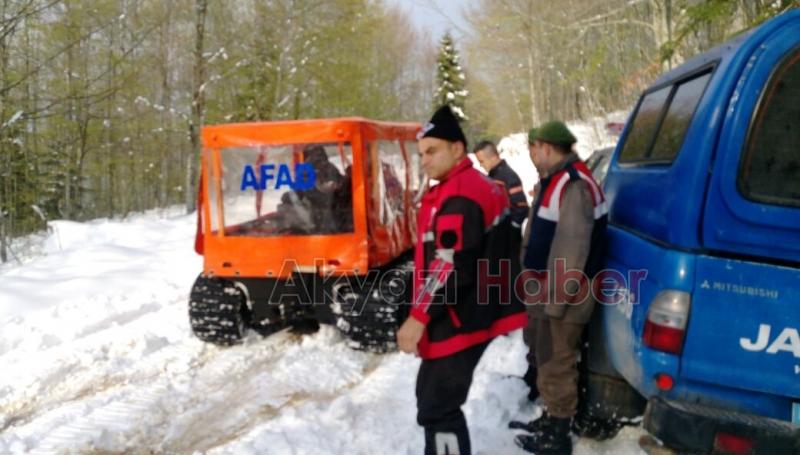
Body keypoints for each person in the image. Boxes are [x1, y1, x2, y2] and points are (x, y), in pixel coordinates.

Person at [396, 105, 527, 455]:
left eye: (432, 150)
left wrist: (418, 316)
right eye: (421, 153)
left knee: (437, 406)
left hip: (460, 315)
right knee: (433, 397)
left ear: (457, 149)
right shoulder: (472, 185)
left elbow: (449, 266)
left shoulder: (460, 195)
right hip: (475, 307)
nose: (424, 160)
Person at [510, 121, 608, 455]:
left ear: (546, 147)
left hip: (566, 293)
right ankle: (550, 419)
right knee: (545, 356)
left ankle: (558, 435)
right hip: (548, 289)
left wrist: (555, 302)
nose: (531, 155)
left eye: (532, 149)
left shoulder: (574, 185)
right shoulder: (555, 180)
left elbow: (571, 248)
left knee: (557, 361)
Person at [473, 140, 529, 231]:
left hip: (508, 235)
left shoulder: (508, 176)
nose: (480, 165)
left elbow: (521, 206)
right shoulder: (493, 176)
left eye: (481, 161)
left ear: (494, 157)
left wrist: (513, 229)